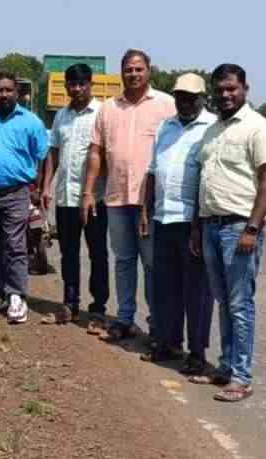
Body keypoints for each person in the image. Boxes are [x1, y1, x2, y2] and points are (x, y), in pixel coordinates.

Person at [189, 64, 266, 402]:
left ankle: (241, 377)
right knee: (224, 301)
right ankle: (226, 367)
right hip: (211, 225)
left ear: (245, 89)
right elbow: (203, 181)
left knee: (240, 304)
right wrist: (197, 227)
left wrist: (252, 228)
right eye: (220, 89)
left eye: (232, 88)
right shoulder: (213, 130)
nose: (225, 95)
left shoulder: (259, 128)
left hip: (240, 227)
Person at [82, 49, 175, 342]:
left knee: (151, 264)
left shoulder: (166, 105)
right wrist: (88, 191)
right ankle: (124, 318)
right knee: (123, 261)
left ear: (149, 71)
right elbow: (95, 152)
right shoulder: (108, 108)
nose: (133, 74)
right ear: (121, 72)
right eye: (128, 69)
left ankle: (157, 324)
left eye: (138, 69)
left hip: (151, 201)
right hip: (117, 198)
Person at [140, 73, 216, 374]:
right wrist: (145, 211)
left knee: (196, 291)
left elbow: (208, 180)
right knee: (165, 286)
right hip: (163, 217)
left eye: (191, 98)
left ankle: (196, 353)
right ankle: (167, 342)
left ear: (202, 98)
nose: (184, 103)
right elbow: (152, 171)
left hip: (192, 222)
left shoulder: (211, 127)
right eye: (180, 97)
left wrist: (198, 225)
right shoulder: (165, 127)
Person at [0, 72, 49, 323]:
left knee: (15, 245)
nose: (3, 95)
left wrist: (40, 188)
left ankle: (16, 295)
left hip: (17, 192)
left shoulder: (31, 121)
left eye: (8, 90)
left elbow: (44, 156)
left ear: (17, 93)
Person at [41, 64, 109, 332]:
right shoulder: (61, 115)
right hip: (65, 197)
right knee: (68, 253)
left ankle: (98, 310)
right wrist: (46, 186)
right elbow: (53, 153)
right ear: (66, 86)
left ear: (91, 84)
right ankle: (70, 304)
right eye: (72, 84)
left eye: (82, 84)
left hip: (94, 198)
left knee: (97, 254)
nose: (77, 89)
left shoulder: (103, 113)